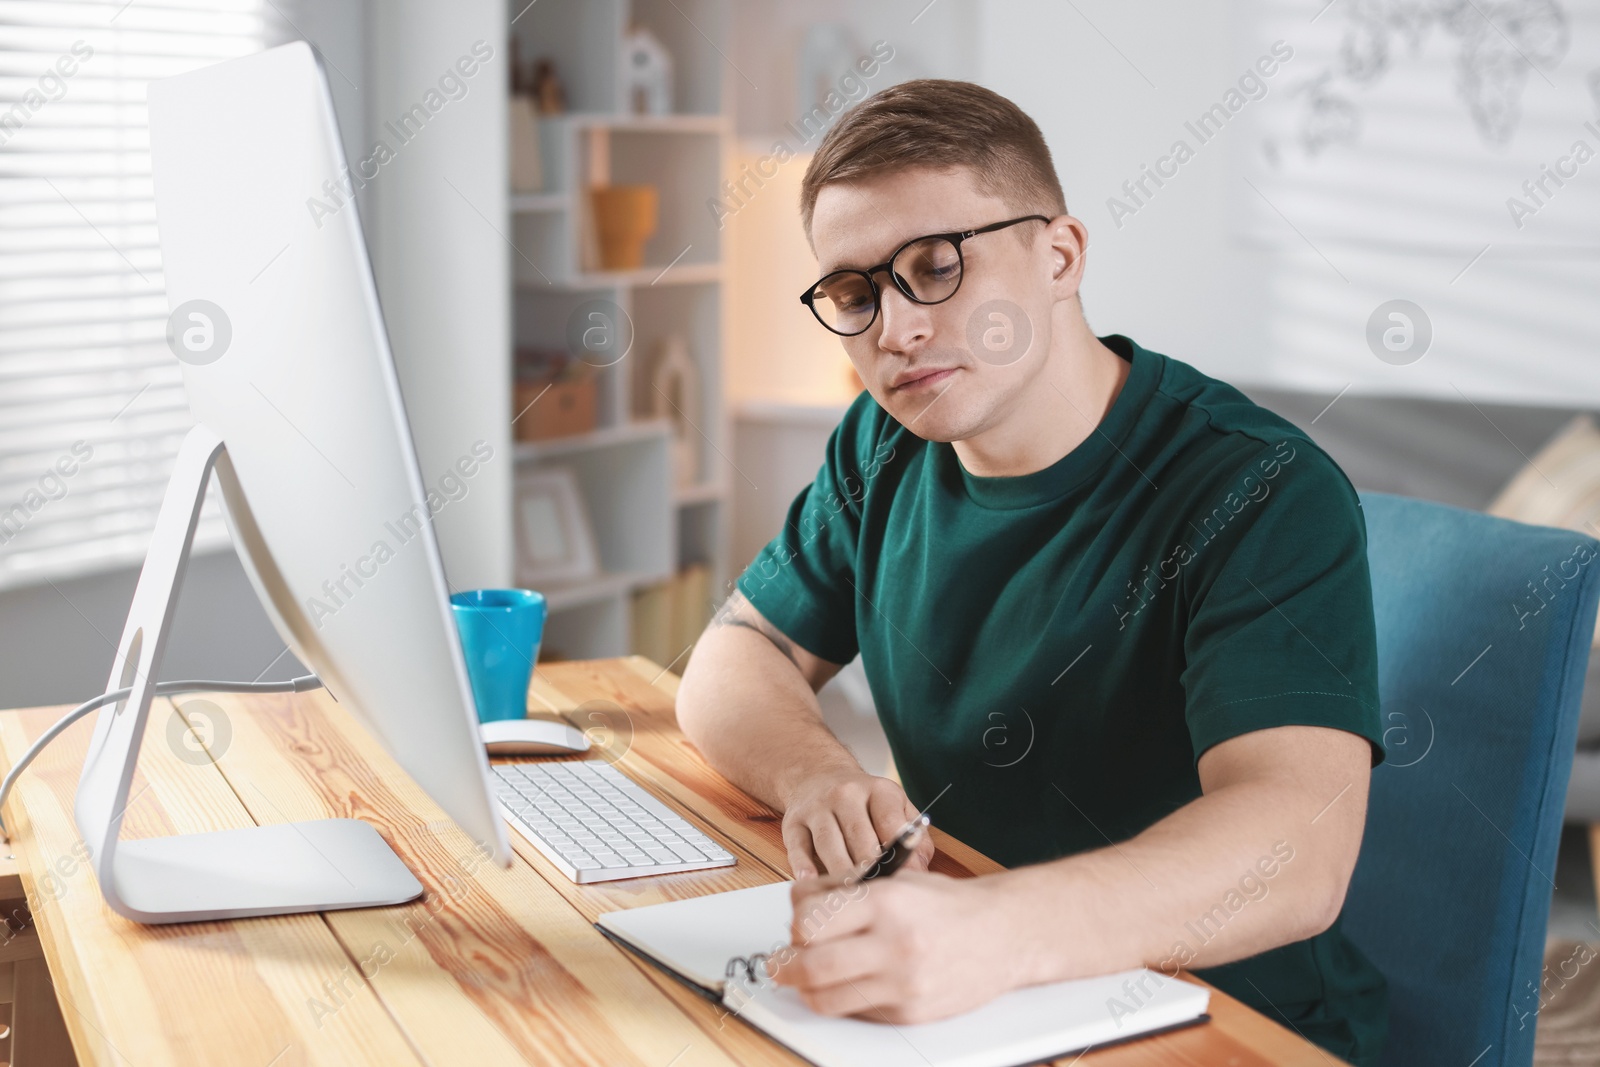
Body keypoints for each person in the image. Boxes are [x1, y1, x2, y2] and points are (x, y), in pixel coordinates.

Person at [675, 78, 1386, 1065]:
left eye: (934, 266)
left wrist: (997, 932)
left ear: (1059, 255)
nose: (895, 328)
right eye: (854, 292)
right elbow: (736, 651)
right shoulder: (883, 445)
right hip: (977, 994)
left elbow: (1295, 848)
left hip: (1219, 1020)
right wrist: (819, 778)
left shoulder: (1259, 485)